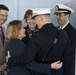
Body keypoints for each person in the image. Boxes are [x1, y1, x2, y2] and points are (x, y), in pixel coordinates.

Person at [7, 8, 71, 75]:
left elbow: (27, 58)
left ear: (41, 19)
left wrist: (10, 60)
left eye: (35, 19)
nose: (35, 22)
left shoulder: (37, 35)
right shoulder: (63, 34)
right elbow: (67, 59)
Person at [54, 3, 76, 75]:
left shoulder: (72, 33)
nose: (57, 17)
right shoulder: (56, 31)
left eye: (60, 15)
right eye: (57, 15)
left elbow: (70, 57)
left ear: (68, 15)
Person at [0, 4, 9, 75]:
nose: (4, 18)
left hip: (4, 70)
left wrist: (6, 64)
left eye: (6, 16)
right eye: (2, 15)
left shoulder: (6, 29)